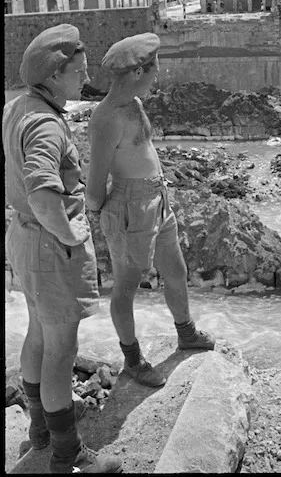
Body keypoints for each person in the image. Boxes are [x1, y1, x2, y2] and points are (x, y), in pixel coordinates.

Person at [2, 24, 122, 474]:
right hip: (50, 246)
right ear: (55, 73)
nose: (85, 78)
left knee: (38, 335)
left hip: (24, 240)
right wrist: (71, 235)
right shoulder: (46, 125)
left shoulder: (18, 107)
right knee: (61, 352)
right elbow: (42, 194)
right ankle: (68, 456)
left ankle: (39, 435)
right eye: (79, 70)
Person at [86, 33, 215, 388]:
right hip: (130, 206)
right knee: (126, 286)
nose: (158, 74)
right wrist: (104, 218)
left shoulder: (135, 104)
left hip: (157, 200)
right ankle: (133, 361)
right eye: (154, 67)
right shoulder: (106, 119)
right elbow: (95, 183)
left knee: (176, 269)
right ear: (137, 70)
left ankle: (185, 332)